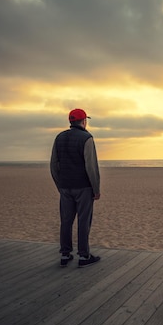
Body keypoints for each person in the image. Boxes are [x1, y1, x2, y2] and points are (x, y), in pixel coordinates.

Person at [50, 108, 101, 268]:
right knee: (83, 221)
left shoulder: (59, 138)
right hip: (83, 187)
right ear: (84, 121)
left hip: (65, 187)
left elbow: (53, 165)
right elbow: (91, 167)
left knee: (66, 220)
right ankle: (84, 256)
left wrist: (59, 184)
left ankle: (65, 254)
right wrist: (96, 188)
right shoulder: (87, 138)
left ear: (71, 121)